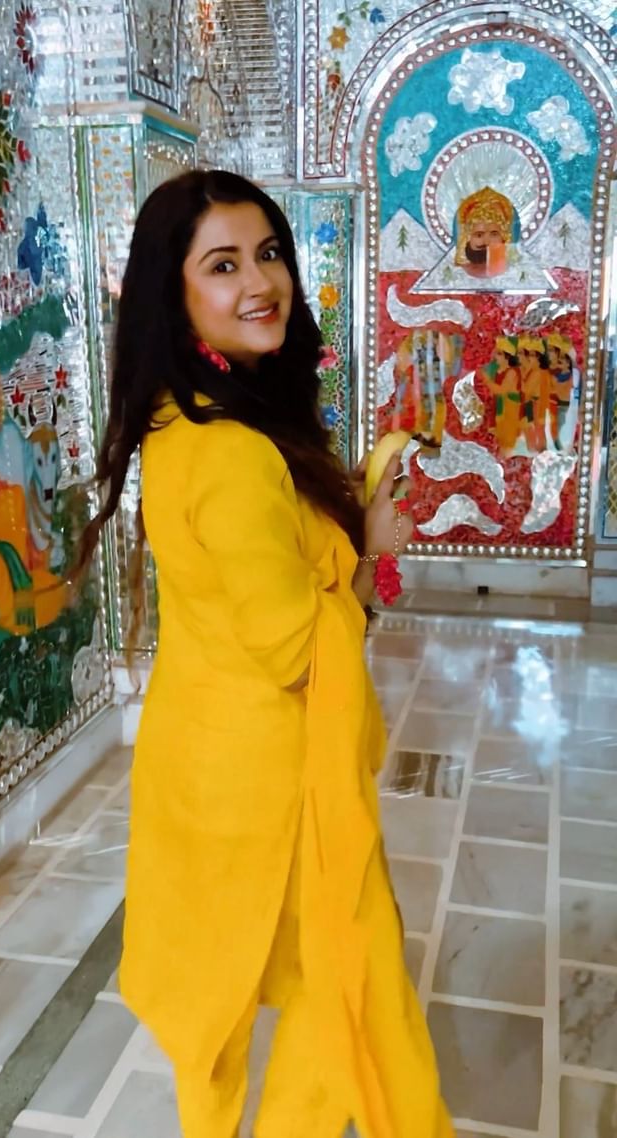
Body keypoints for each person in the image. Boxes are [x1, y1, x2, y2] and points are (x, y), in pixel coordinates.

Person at [76, 169, 452, 1138]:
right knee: (341, 976)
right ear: (176, 295)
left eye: (269, 253)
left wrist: (346, 527)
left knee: (233, 988)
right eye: (223, 264)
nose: (260, 282)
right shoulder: (233, 454)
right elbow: (297, 650)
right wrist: (369, 552)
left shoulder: (185, 421)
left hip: (198, 758)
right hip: (268, 782)